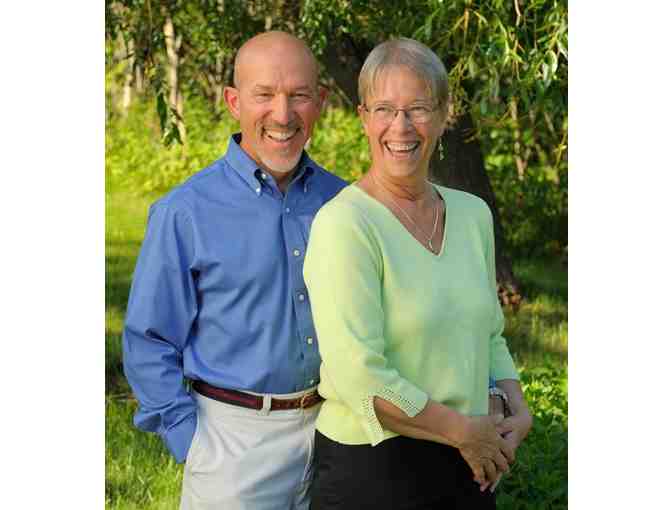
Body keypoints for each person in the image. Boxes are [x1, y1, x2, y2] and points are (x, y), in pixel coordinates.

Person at [303, 38, 533, 509]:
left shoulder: (473, 214)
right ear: (363, 117)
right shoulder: (345, 224)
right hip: (374, 466)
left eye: (419, 109)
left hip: (470, 460)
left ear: (445, 115)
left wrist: (517, 406)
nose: (401, 126)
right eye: (384, 109)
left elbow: (490, 334)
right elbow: (359, 376)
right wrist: (462, 431)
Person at [122, 31, 347, 510]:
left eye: (299, 95)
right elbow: (148, 339)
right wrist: (191, 440)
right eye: (264, 94)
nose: (282, 115)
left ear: (321, 102)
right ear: (233, 101)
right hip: (232, 444)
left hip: (335, 434)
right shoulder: (185, 212)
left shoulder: (345, 203)